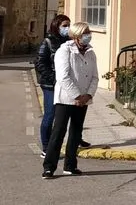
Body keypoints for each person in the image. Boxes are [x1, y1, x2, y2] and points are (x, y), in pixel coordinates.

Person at [42, 22, 98, 179]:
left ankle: (70, 165)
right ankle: (49, 167)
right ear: (77, 35)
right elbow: (63, 77)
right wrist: (77, 96)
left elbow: (94, 77)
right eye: (85, 32)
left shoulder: (90, 52)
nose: (88, 35)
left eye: (89, 32)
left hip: (84, 99)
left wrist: (88, 95)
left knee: (76, 132)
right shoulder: (64, 51)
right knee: (59, 132)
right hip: (66, 98)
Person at [35, 15, 90, 155]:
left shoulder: (71, 42)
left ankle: (77, 139)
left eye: (69, 25)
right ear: (56, 26)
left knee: (75, 113)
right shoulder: (48, 42)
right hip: (51, 85)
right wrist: (54, 79)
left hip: (69, 84)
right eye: (64, 25)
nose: (67, 28)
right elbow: (40, 63)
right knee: (50, 115)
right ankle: (46, 147)